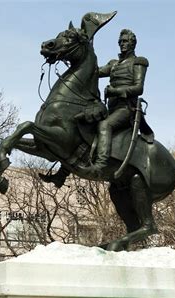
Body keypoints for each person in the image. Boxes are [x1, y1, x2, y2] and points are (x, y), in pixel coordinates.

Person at [40, 29, 149, 186]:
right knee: (80, 126)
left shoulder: (139, 62)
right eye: (120, 42)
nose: (122, 45)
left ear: (133, 43)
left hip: (126, 109)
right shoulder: (113, 64)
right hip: (111, 109)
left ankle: (99, 165)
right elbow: (94, 71)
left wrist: (116, 91)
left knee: (105, 125)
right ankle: (62, 174)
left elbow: (139, 88)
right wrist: (82, 53)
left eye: (125, 41)